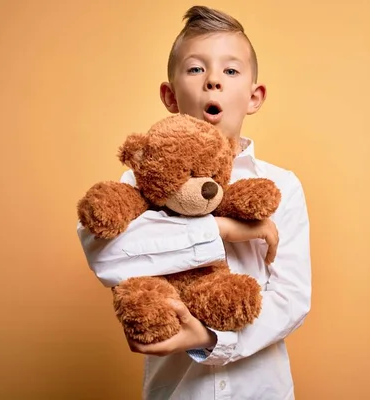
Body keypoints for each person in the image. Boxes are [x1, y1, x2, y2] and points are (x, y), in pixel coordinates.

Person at [77, 5, 312, 399]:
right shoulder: (140, 181)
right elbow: (108, 257)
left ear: (254, 97)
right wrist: (221, 229)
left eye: (230, 71)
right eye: (196, 69)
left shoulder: (281, 186)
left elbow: (291, 300)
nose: (213, 81)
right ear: (170, 96)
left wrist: (209, 337)